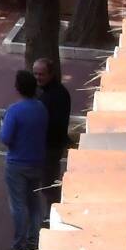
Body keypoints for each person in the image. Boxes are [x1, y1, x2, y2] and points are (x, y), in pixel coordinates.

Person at [0, 68, 50, 250]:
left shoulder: (14, 111)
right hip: (37, 161)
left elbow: (5, 138)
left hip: (17, 163)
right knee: (34, 203)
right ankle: (33, 242)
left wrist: (2, 126)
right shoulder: (41, 108)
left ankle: (19, 246)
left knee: (18, 205)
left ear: (18, 88)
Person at [33, 56, 74, 186]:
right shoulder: (47, 92)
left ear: (51, 74)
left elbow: (55, 124)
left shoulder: (56, 95)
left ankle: (51, 204)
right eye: (35, 74)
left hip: (51, 147)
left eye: (41, 74)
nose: (37, 77)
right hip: (49, 146)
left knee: (48, 184)